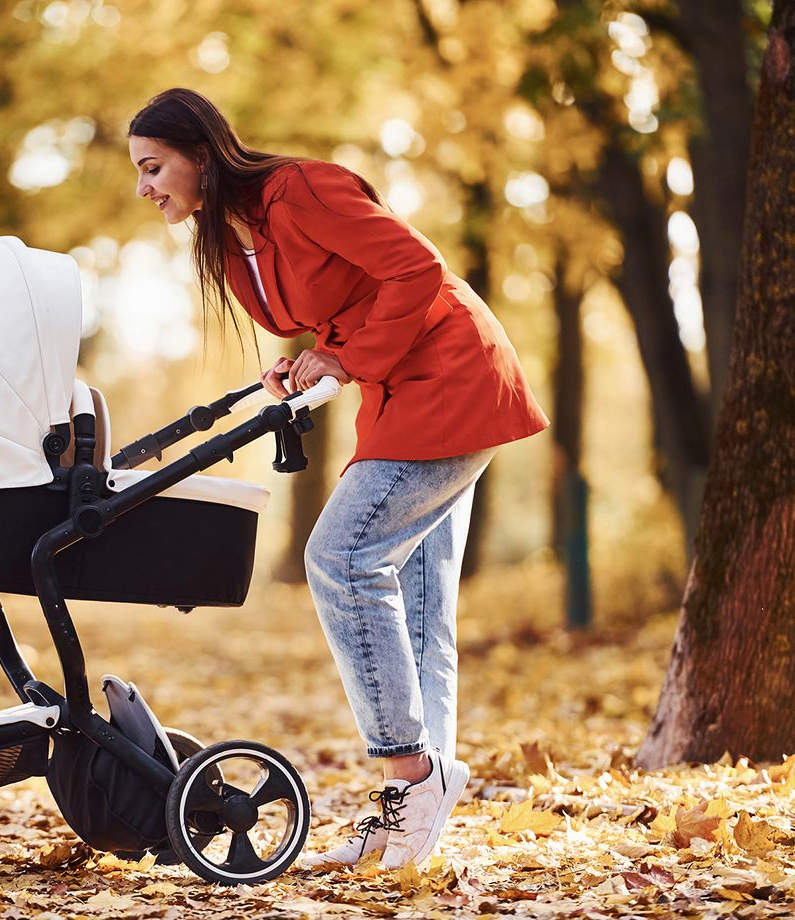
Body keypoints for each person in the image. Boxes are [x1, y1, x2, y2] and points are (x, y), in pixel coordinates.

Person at [127, 88, 549, 871]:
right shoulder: (227, 244)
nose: (145, 187)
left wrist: (347, 357)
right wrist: (309, 359)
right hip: (397, 393)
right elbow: (344, 307)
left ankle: (409, 773)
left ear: (202, 155)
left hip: (452, 375)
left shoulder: (303, 191)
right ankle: (411, 820)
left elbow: (416, 269)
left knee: (342, 557)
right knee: (418, 605)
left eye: (154, 167)